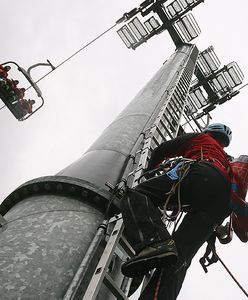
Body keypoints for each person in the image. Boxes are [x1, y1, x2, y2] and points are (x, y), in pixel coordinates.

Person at [120, 123, 234, 299]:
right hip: (223, 203)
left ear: (208, 132)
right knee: (178, 260)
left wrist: (150, 172)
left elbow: (162, 150)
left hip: (203, 173)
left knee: (137, 195)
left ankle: (154, 243)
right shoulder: (227, 159)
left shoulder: (200, 138)